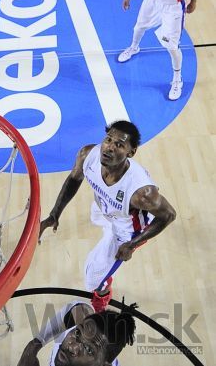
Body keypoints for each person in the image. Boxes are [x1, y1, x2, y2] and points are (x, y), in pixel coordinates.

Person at [39, 121, 176, 312]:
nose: (109, 147)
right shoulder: (88, 155)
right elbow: (74, 179)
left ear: (131, 152)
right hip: (106, 207)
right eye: (108, 139)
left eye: (119, 145)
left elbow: (169, 215)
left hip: (127, 230)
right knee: (96, 216)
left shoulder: (142, 194)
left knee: (93, 278)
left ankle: (101, 299)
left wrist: (132, 245)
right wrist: (55, 213)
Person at [117, 0, 199, 101]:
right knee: (139, 26)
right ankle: (134, 47)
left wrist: (193, 1)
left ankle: (177, 79)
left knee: (171, 46)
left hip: (173, 5)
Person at [17, 301, 137, 366]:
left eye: (89, 349)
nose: (72, 346)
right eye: (77, 332)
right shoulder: (80, 317)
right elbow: (79, 306)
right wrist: (34, 345)